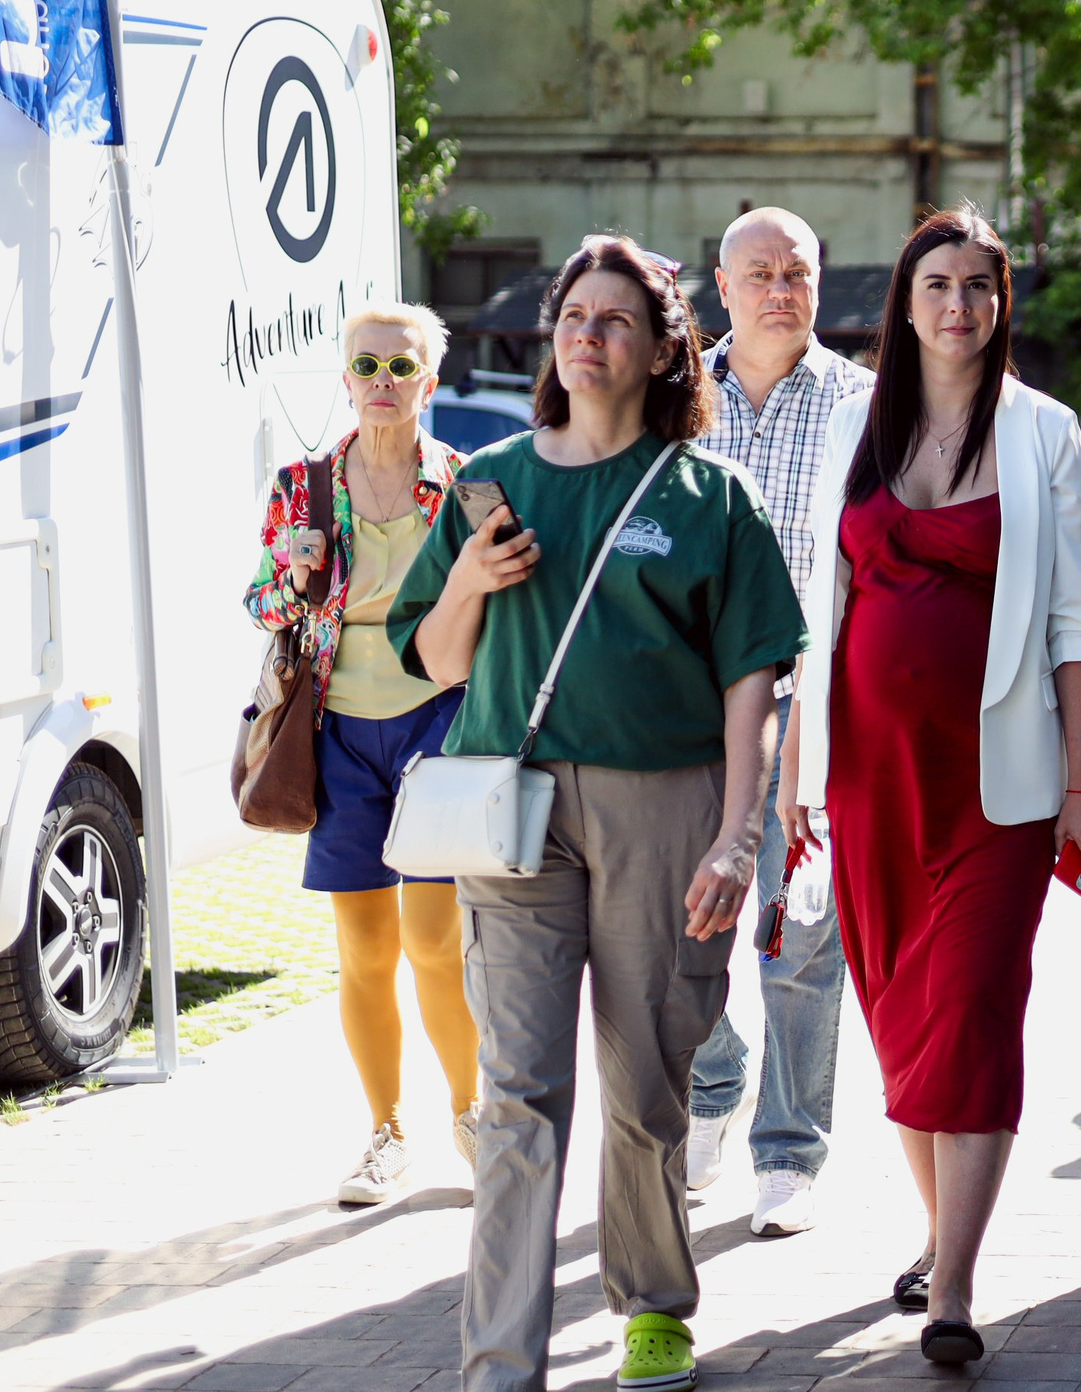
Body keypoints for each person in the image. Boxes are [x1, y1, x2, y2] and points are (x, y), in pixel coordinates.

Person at [391, 236, 804, 1392]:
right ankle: (498, 1358)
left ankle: (653, 1306)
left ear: (663, 346)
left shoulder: (708, 494)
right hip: (513, 811)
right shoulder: (497, 478)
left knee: (646, 1078)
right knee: (518, 1091)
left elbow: (752, 684)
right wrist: (471, 577)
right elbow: (431, 659)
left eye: (617, 318)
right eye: (576, 314)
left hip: (663, 809)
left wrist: (736, 831)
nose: (588, 333)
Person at [779, 206, 1081, 1364]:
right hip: (868, 779)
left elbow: (1080, 617)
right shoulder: (848, 429)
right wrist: (789, 774)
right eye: (938, 282)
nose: (959, 305)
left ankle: (956, 1291)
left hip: (1001, 785)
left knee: (970, 1011)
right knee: (897, 1018)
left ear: (1000, 301)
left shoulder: (1044, 433)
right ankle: (939, 1233)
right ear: (905, 300)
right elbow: (813, 617)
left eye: (980, 284)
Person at [242, 303, 476, 1208]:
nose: (383, 382)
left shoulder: (459, 483)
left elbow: (495, 603)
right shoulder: (302, 487)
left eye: (401, 366)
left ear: (429, 378)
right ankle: (386, 1133)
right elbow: (261, 602)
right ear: (345, 378)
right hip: (335, 731)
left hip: (432, 721)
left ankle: (472, 1111)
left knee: (435, 940)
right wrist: (293, 579)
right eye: (367, 366)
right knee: (364, 949)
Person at [684, 207, 874, 1234]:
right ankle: (713, 1085)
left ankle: (789, 1153)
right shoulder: (679, 398)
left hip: (817, 702)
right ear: (723, 283)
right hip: (690, 711)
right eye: (757, 272)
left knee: (802, 931)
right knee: (676, 927)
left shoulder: (865, 404)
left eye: (795, 271)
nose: (778, 290)